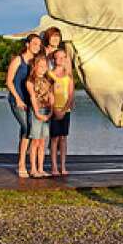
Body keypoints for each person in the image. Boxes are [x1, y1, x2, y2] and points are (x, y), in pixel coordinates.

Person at [5, 34, 42, 178]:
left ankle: (26, 163)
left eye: (39, 45)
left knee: (25, 131)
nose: (37, 47)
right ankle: (21, 164)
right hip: (17, 101)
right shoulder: (17, 60)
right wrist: (18, 99)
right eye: (34, 43)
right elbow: (8, 82)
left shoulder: (35, 62)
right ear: (27, 44)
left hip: (30, 103)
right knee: (28, 128)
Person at [25, 53, 54, 178]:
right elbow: (32, 97)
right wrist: (37, 113)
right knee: (35, 140)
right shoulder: (30, 81)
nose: (43, 68)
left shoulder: (48, 80)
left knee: (42, 141)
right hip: (36, 111)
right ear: (35, 66)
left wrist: (52, 110)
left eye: (45, 66)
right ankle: (33, 169)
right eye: (40, 66)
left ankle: (41, 168)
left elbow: (51, 96)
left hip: (47, 111)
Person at [48, 48, 74, 176]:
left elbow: (70, 96)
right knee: (54, 139)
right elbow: (49, 94)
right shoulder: (50, 75)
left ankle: (63, 166)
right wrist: (55, 110)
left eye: (63, 57)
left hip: (65, 111)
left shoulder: (68, 76)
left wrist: (64, 110)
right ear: (53, 59)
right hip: (54, 110)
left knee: (63, 138)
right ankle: (54, 167)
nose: (60, 60)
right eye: (57, 57)